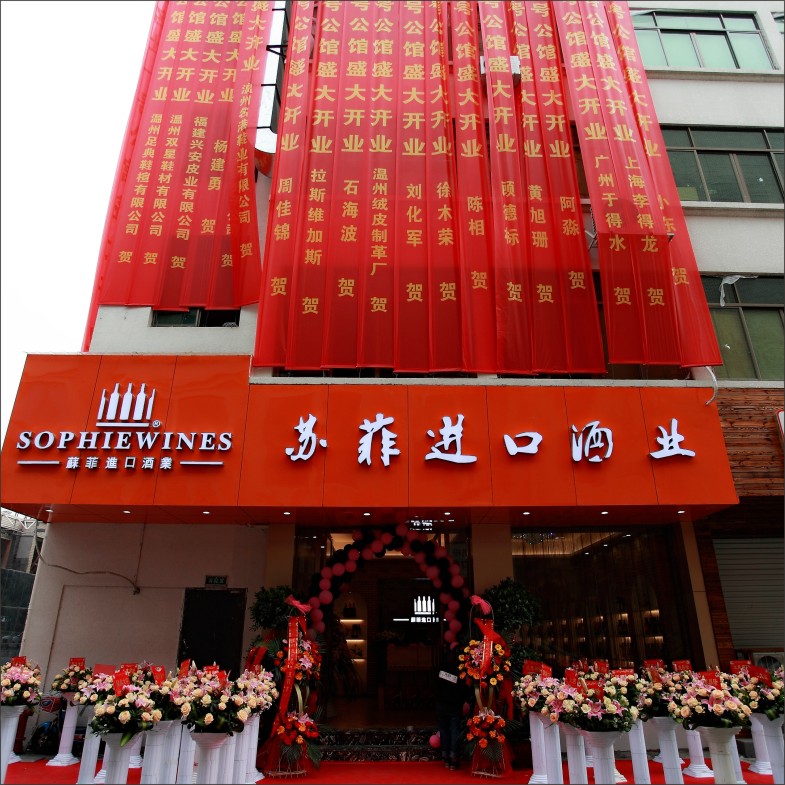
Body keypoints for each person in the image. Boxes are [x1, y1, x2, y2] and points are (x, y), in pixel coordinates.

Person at [435, 642, 470, 770]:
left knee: (444, 729)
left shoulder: (442, 668)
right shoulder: (460, 670)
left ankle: (445, 756)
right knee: (454, 730)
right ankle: (453, 757)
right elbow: (463, 688)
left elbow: (437, 685)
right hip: (454, 704)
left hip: (442, 703)